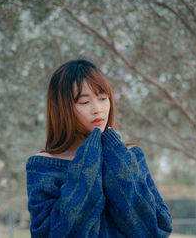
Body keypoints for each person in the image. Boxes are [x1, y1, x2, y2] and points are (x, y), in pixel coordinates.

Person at [26, 59, 172, 237]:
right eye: (84, 102)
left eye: (103, 99)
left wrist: (115, 153)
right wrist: (89, 156)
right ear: (62, 108)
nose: (98, 109)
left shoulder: (131, 155)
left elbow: (155, 229)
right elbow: (57, 233)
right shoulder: (43, 166)